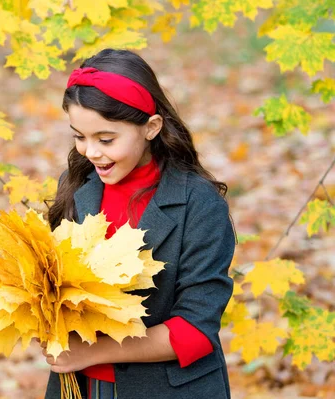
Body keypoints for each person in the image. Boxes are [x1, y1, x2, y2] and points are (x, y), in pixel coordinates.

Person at [44, 48, 235, 399]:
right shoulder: (76, 187)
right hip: (81, 388)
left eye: (106, 140)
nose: (90, 152)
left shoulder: (199, 204)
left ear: (151, 127)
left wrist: (94, 352)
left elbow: (195, 330)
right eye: (79, 137)